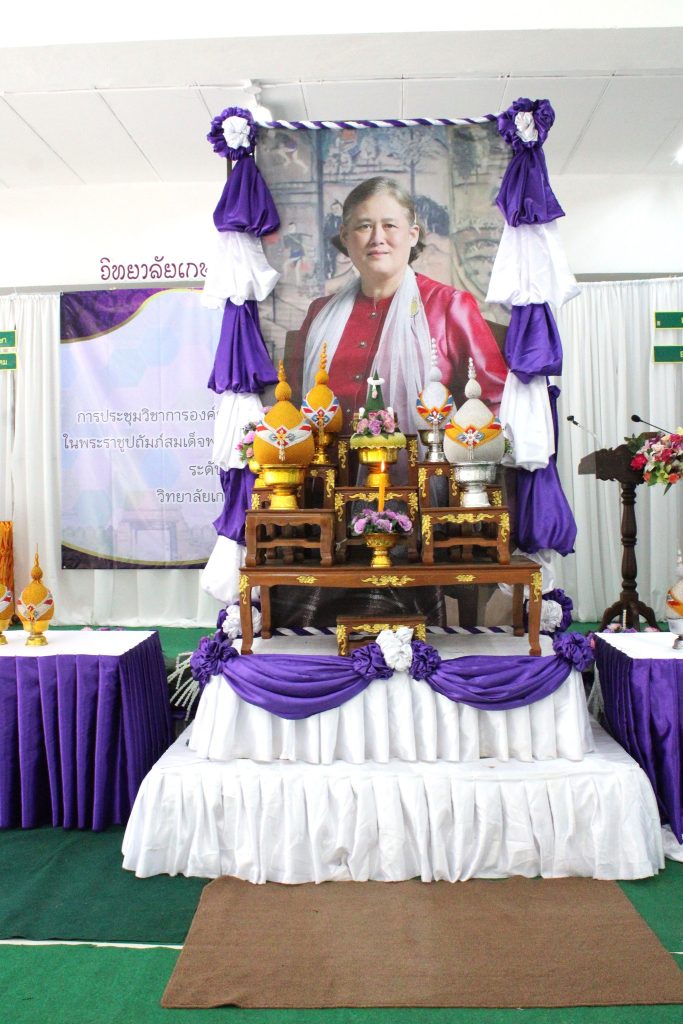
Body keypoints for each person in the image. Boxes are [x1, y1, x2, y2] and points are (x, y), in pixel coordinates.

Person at [289, 176, 507, 436]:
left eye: (390, 225)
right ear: (345, 237)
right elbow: (294, 406)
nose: (377, 238)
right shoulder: (320, 314)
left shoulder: (449, 306)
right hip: (327, 461)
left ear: (413, 235)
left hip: (424, 461)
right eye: (364, 226)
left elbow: (495, 402)